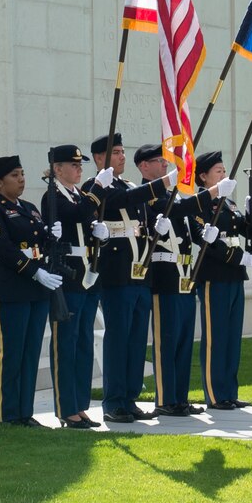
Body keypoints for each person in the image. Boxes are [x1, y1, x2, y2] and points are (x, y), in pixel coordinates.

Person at [0, 154, 61, 426]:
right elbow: (2, 248)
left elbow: (41, 242)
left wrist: (54, 236)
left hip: (36, 289)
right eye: (15, 175)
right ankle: (9, 414)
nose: (21, 179)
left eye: (23, 173)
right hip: (10, 288)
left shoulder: (29, 208)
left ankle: (25, 413)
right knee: (11, 353)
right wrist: (33, 271)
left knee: (30, 354)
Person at [83, 132, 156, 422]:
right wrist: (162, 183)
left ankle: (129, 398)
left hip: (139, 274)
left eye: (124, 152)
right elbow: (125, 199)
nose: (123, 156)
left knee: (137, 339)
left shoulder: (127, 184)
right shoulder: (96, 187)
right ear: (100, 158)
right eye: (116, 153)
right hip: (116, 274)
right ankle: (113, 402)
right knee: (118, 339)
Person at [40, 144, 101, 429]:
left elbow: (86, 218)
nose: (79, 169)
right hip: (68, 275)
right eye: (73, 165)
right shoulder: (53, 196)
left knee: (84, 343)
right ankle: (66, 407)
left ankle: (80, 404)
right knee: (66, 343)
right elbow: (77, 214)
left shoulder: (79, 196)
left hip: (87, 274)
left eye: (80, 165)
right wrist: (98, 190)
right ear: (57, 169)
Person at [139, 145, 201, 417]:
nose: (165, 165)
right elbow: (171, 212)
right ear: (144, 167)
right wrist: (209, 195)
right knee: (167, 339)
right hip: (164, 276)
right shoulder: (147, 196)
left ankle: (179, 397)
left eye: (165, 161)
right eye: (158, 161)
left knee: (184, 340)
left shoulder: (169, 194)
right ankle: (165, 398)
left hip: (184, 276)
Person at [192, 151, 252, 410]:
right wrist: (238, 258)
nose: (223, 174)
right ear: (204, 177)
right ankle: (215, 395)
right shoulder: (199, 203)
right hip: (213, 276)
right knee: (215, 338)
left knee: (231, 337)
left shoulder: (229, 204)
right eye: (218, 171)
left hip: (234, 276)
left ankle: (229, 391)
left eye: (224, 170)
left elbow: (244, 231)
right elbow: (204, 240)